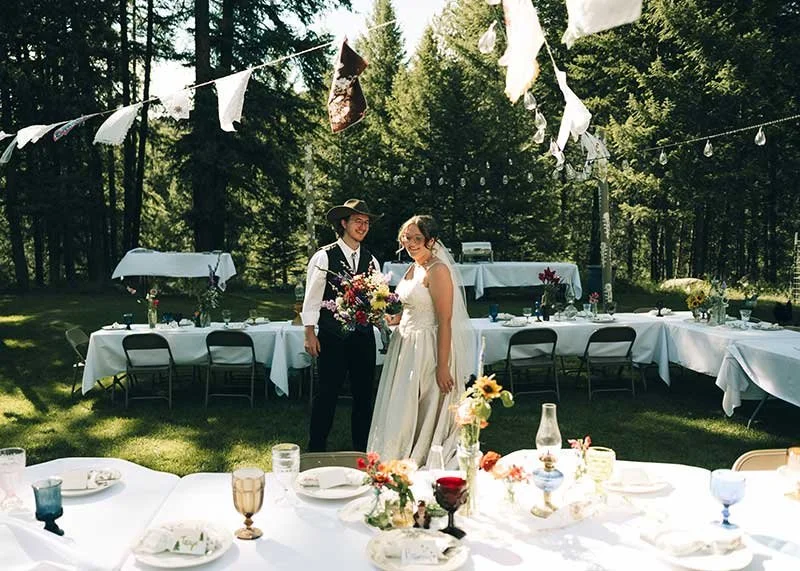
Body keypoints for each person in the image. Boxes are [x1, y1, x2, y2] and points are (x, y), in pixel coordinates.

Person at [367, 215, 475, 467]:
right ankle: (397, 454)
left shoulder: (438, 270)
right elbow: (412, 306)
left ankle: (423, 455)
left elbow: (445, 319)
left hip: (427, 348)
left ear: (431, 241)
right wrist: (393, 318)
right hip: (405, 344)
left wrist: (443, 365)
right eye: (407, 238)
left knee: (424, 404)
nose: (411, 243)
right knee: (402, 406)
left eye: (418, 239)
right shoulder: (413, 266)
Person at [302, 199, 382, 452]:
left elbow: (377, 300)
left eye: (366, 222)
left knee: (363, 396)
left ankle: (361, 449)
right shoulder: (325, 256)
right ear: (344, 223)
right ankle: (316, 449)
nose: (363, 226)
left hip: (363, 338)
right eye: (358, 221)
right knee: (326, 395)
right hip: (331, 337)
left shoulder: (371, 259)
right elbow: (312, 298)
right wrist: (309, 333)